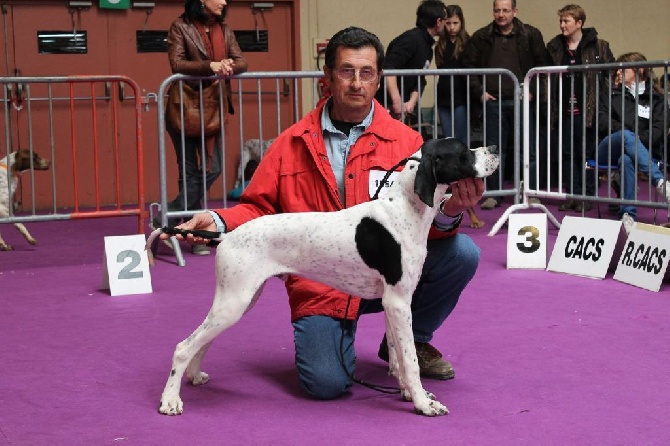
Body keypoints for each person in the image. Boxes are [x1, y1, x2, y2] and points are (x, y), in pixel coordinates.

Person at [165, 26, 484, 400]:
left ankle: (408, 342)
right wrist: (218, 222)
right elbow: (257, 207)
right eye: (346, 71)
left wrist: (452, 211)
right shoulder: (291, 143)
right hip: (321, 283)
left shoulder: (407, 144)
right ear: (327, 77)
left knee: (462, 254)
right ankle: (188, 358)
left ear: (379, 79)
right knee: (327, 383)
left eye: (366, 73)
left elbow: (425, 226)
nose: (356, 83)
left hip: (383, 271)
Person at [162, 0, 248, 255]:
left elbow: (242, 61)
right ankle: (194, 232)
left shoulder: (226, 29)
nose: (223, 2)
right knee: (188, 172)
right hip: (183, 109)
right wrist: (211, 66)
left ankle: (168, 218)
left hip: (214, 110)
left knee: (215, 167)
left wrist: (230, 65)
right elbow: (177, 64)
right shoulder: (179, 27)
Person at [461, 0, 549, 209]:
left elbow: (542, 66)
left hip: (522, 100)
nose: (500, 14)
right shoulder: (482, 36)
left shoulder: (531, 34)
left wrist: (533, 90)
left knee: (529, 150)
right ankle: (495, 193)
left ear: (515, 11)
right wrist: (479, 93)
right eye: (497, 10)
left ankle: (531, 192)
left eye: (505, 10)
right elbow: (468, 66)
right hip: (493, 102)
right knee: (495, 151)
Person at [546, 4, 614, 213]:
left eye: (566, 21)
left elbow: (610, 73)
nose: (562, 25)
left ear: (579, 23)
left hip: (589, 111)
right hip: (564, 110)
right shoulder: (555, 46)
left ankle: (587, 195)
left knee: (586, 154)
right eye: (561, 21)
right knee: (566, 154)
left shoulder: (599, 46)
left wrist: (603, 101)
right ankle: (572, 194)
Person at [597, 52, 670, 232]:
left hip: (640, 150)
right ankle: (661, 183)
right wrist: (629, 135)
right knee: (626, 136)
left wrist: (636, 140)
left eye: (624, 69)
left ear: (640, 70)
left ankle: (628, 215)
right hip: (608, 147)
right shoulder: (611, 93)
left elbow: (659, 130)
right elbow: (602, 120)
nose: (618, 73)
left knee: (627, 160)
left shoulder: (657, 98)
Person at [374, 0, 447, 120]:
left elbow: (420, 79)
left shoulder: (428, 47)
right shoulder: (411, 39)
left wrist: (411, 103)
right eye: (445, 20)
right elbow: (389, 69)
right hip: (386, 104)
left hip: (407, 106)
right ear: (438, 22)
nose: (446, 25)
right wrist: (397, 102)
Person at [435, 4, 470, 144]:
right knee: (448, 139)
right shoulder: (440, 44)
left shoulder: (468, 42)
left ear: (461, 23)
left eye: (455, 23)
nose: (452, 27)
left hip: (461, 96)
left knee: (461, 139)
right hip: (444, 95)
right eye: (448, 23)